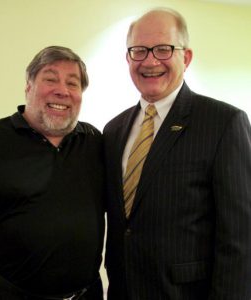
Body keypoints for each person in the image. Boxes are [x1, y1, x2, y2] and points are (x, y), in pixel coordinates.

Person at [103, 7, 251, 300]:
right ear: (128, 58)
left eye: (163, 49)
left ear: (186, 57)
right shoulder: (113, 130)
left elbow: (240, 239)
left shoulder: (223, 122)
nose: (150, 61)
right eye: (139, 51)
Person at [0, 46, 105, 300]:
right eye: (50, 79)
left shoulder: (95, 143)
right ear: (28, 85)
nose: (62, 90)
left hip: (86, 294)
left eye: (72, 83)